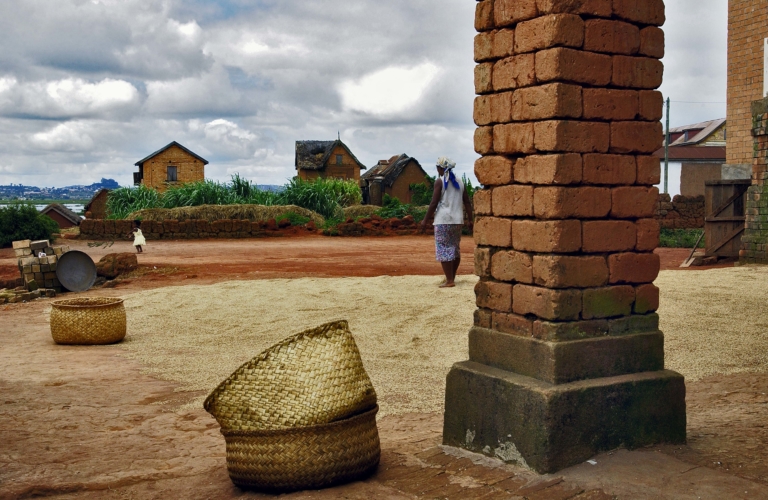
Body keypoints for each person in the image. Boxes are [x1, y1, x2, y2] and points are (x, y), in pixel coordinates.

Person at [419, 157, 473, 288]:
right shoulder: (460, 182)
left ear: (440, 168)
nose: (437, 170)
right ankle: (451, 277)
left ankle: (449, 281)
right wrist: (470, 219)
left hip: (443, 220)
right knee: (455, 249)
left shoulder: (440, 181)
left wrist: (425, 220)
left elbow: (434, 203)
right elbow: (467, 202)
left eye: (437, 167)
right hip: (457, 221)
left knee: (443, 249)